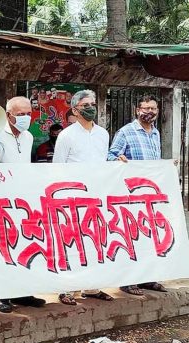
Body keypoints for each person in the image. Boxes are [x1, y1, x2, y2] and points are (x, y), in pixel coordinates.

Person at [0, 96, 50, 314]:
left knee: (24, 246)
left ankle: (22, 291)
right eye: (20, 115)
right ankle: (2, 297)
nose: (25, 118)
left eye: (29, 114)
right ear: (8, 115)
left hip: (22, 200)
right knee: (3, 249)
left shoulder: (28, 137)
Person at [53, 89, 115, 304]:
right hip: (71, 196)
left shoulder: (103, 134)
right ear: (75, 109)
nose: (91, 108)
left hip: (96, 196)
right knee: (70, 242)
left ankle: (91, 286)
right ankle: (66, 288)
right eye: (85, 105)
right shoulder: (66, 135)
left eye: (93, 104)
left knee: (94, 241)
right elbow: (58, 168)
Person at [106, 95, 168, 296]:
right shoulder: (126, 132)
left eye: (154, 108)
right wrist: (119, 158)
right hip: (130, 195)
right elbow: (110, 155)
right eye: (146, 108)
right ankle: (128, 280)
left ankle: (147, 278)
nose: (150, 112)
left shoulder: (156, 133)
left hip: (150, 195)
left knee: (149, 238)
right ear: (137, 110)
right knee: (130, 237)